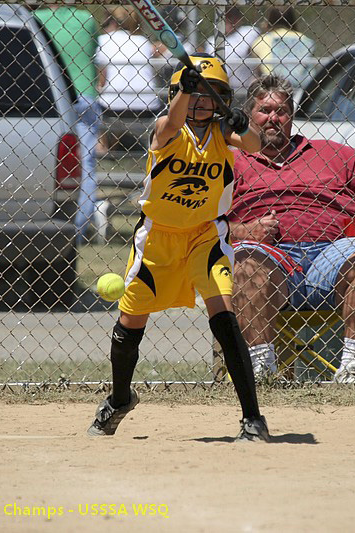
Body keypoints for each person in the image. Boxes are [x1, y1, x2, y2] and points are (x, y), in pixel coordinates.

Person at [87, 54, 270, 441]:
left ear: (223, 98)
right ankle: (120, 399)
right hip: (158, 239)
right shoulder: (165, 128)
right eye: (193, 93)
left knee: (223, 312)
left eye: (211, 94)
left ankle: (253, 417)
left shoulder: (222, 133)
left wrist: (246, 123)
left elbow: (255, 144)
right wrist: (184, 92)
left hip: (206, 235)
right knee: (131, 320)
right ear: (178, 94)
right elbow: (170, 123)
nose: (202, 100)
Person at [227, 75, 355, 383]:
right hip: (269, 258)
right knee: (246, 264)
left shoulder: (334, 153)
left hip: (334, 255)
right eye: (264, 110)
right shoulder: (231, 161)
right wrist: (244, 231)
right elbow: (203, 220)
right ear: (248, 116)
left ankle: (351, 369)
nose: (273, 118)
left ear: (291, 115)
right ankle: (263, 371)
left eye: (281, 111)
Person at [34, 5, 102, 245]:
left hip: (52, 94)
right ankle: (77, 233)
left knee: (50, 160)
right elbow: (92, 50)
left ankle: (51, 225)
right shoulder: (86, 18)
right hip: (85, 93)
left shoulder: (36, 18)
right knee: (86, 164)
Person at [95, 7, 162, 121]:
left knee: (97, 104)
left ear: (112, 22)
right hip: (146, 103)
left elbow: (102, 79)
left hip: (112, 104)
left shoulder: (103, 40)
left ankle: (106, 139)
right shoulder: (143, 41)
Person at [250, 7, 316, 92]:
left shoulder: (261, 41)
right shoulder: (305, 40)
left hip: (272, 88)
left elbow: (258, 71)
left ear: (269, 20)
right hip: (303, 89)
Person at [203, 7, 261, 96]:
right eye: (225, 17)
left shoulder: (248, 32)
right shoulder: (212, 41)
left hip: (245, 89)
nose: (228, 21)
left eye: (232, 17)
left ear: (239, 18)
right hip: (222, 89)